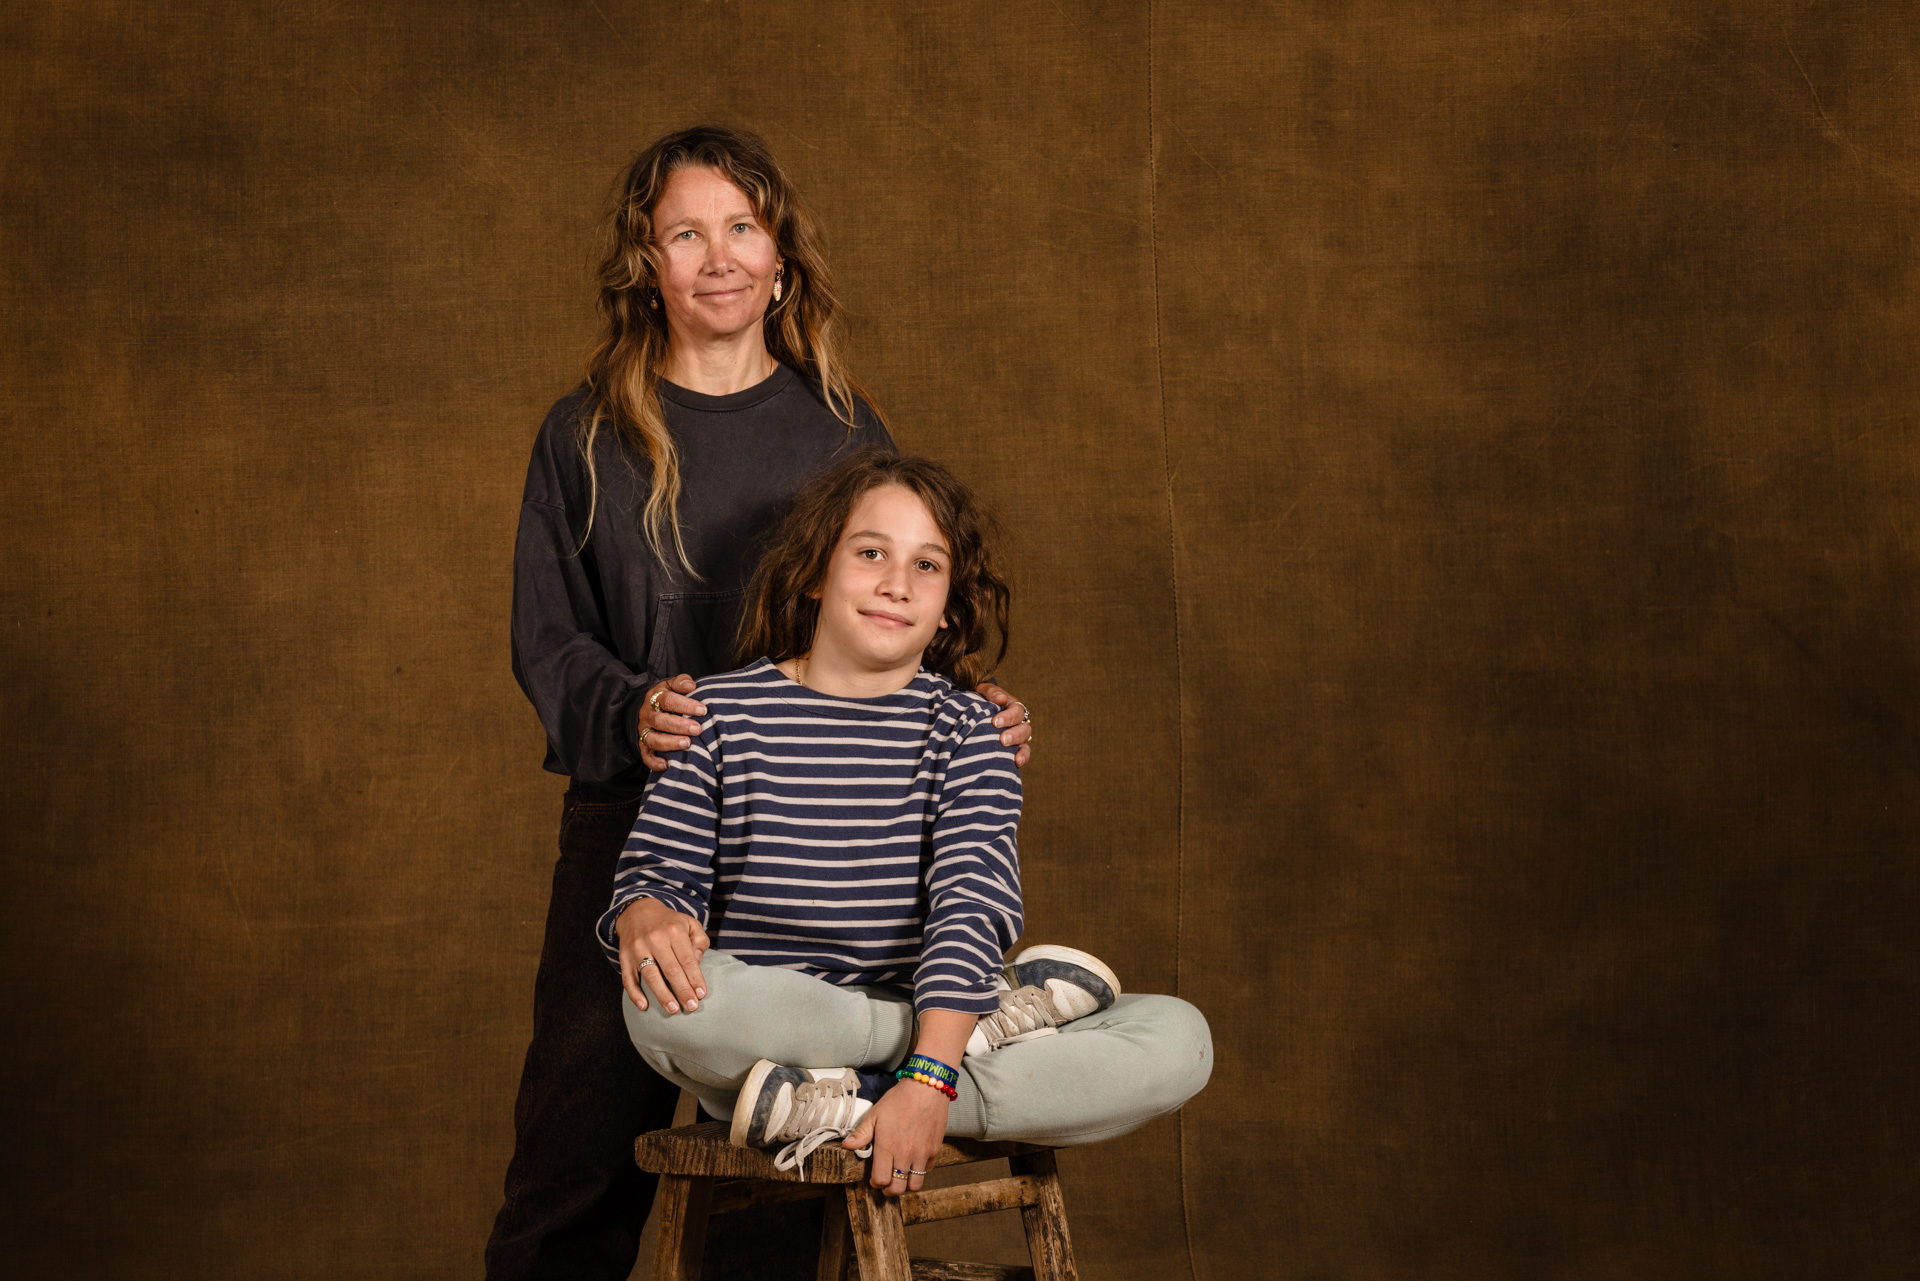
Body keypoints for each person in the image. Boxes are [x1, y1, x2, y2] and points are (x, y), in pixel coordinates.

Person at [490, 127, 1036, 1279]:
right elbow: (546, 638)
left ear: (781, 257)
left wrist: (969, 705)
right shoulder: (585, 435)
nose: (719, 256)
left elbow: (892, 596)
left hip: (813, 832)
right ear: (646, 263)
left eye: (741, 227)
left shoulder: (839, 427)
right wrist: (632, 708)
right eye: (686, 234)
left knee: (772, 1184)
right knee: (574, 1159)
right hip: (636, 825)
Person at [602, 452, 1212, 1198]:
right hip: (773, 1016)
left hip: (927, 1014)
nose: (897, 583)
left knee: (1179, 1039)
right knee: (662, 1009)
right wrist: (647, 908)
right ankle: (976, 1034)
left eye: (927, 565)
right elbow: (662, 872)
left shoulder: (970, 731)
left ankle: (853, 1100)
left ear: (950, 603)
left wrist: (929, 1079)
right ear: (815, 572)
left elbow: (970, 904)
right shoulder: (715, 716)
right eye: (870, 553)